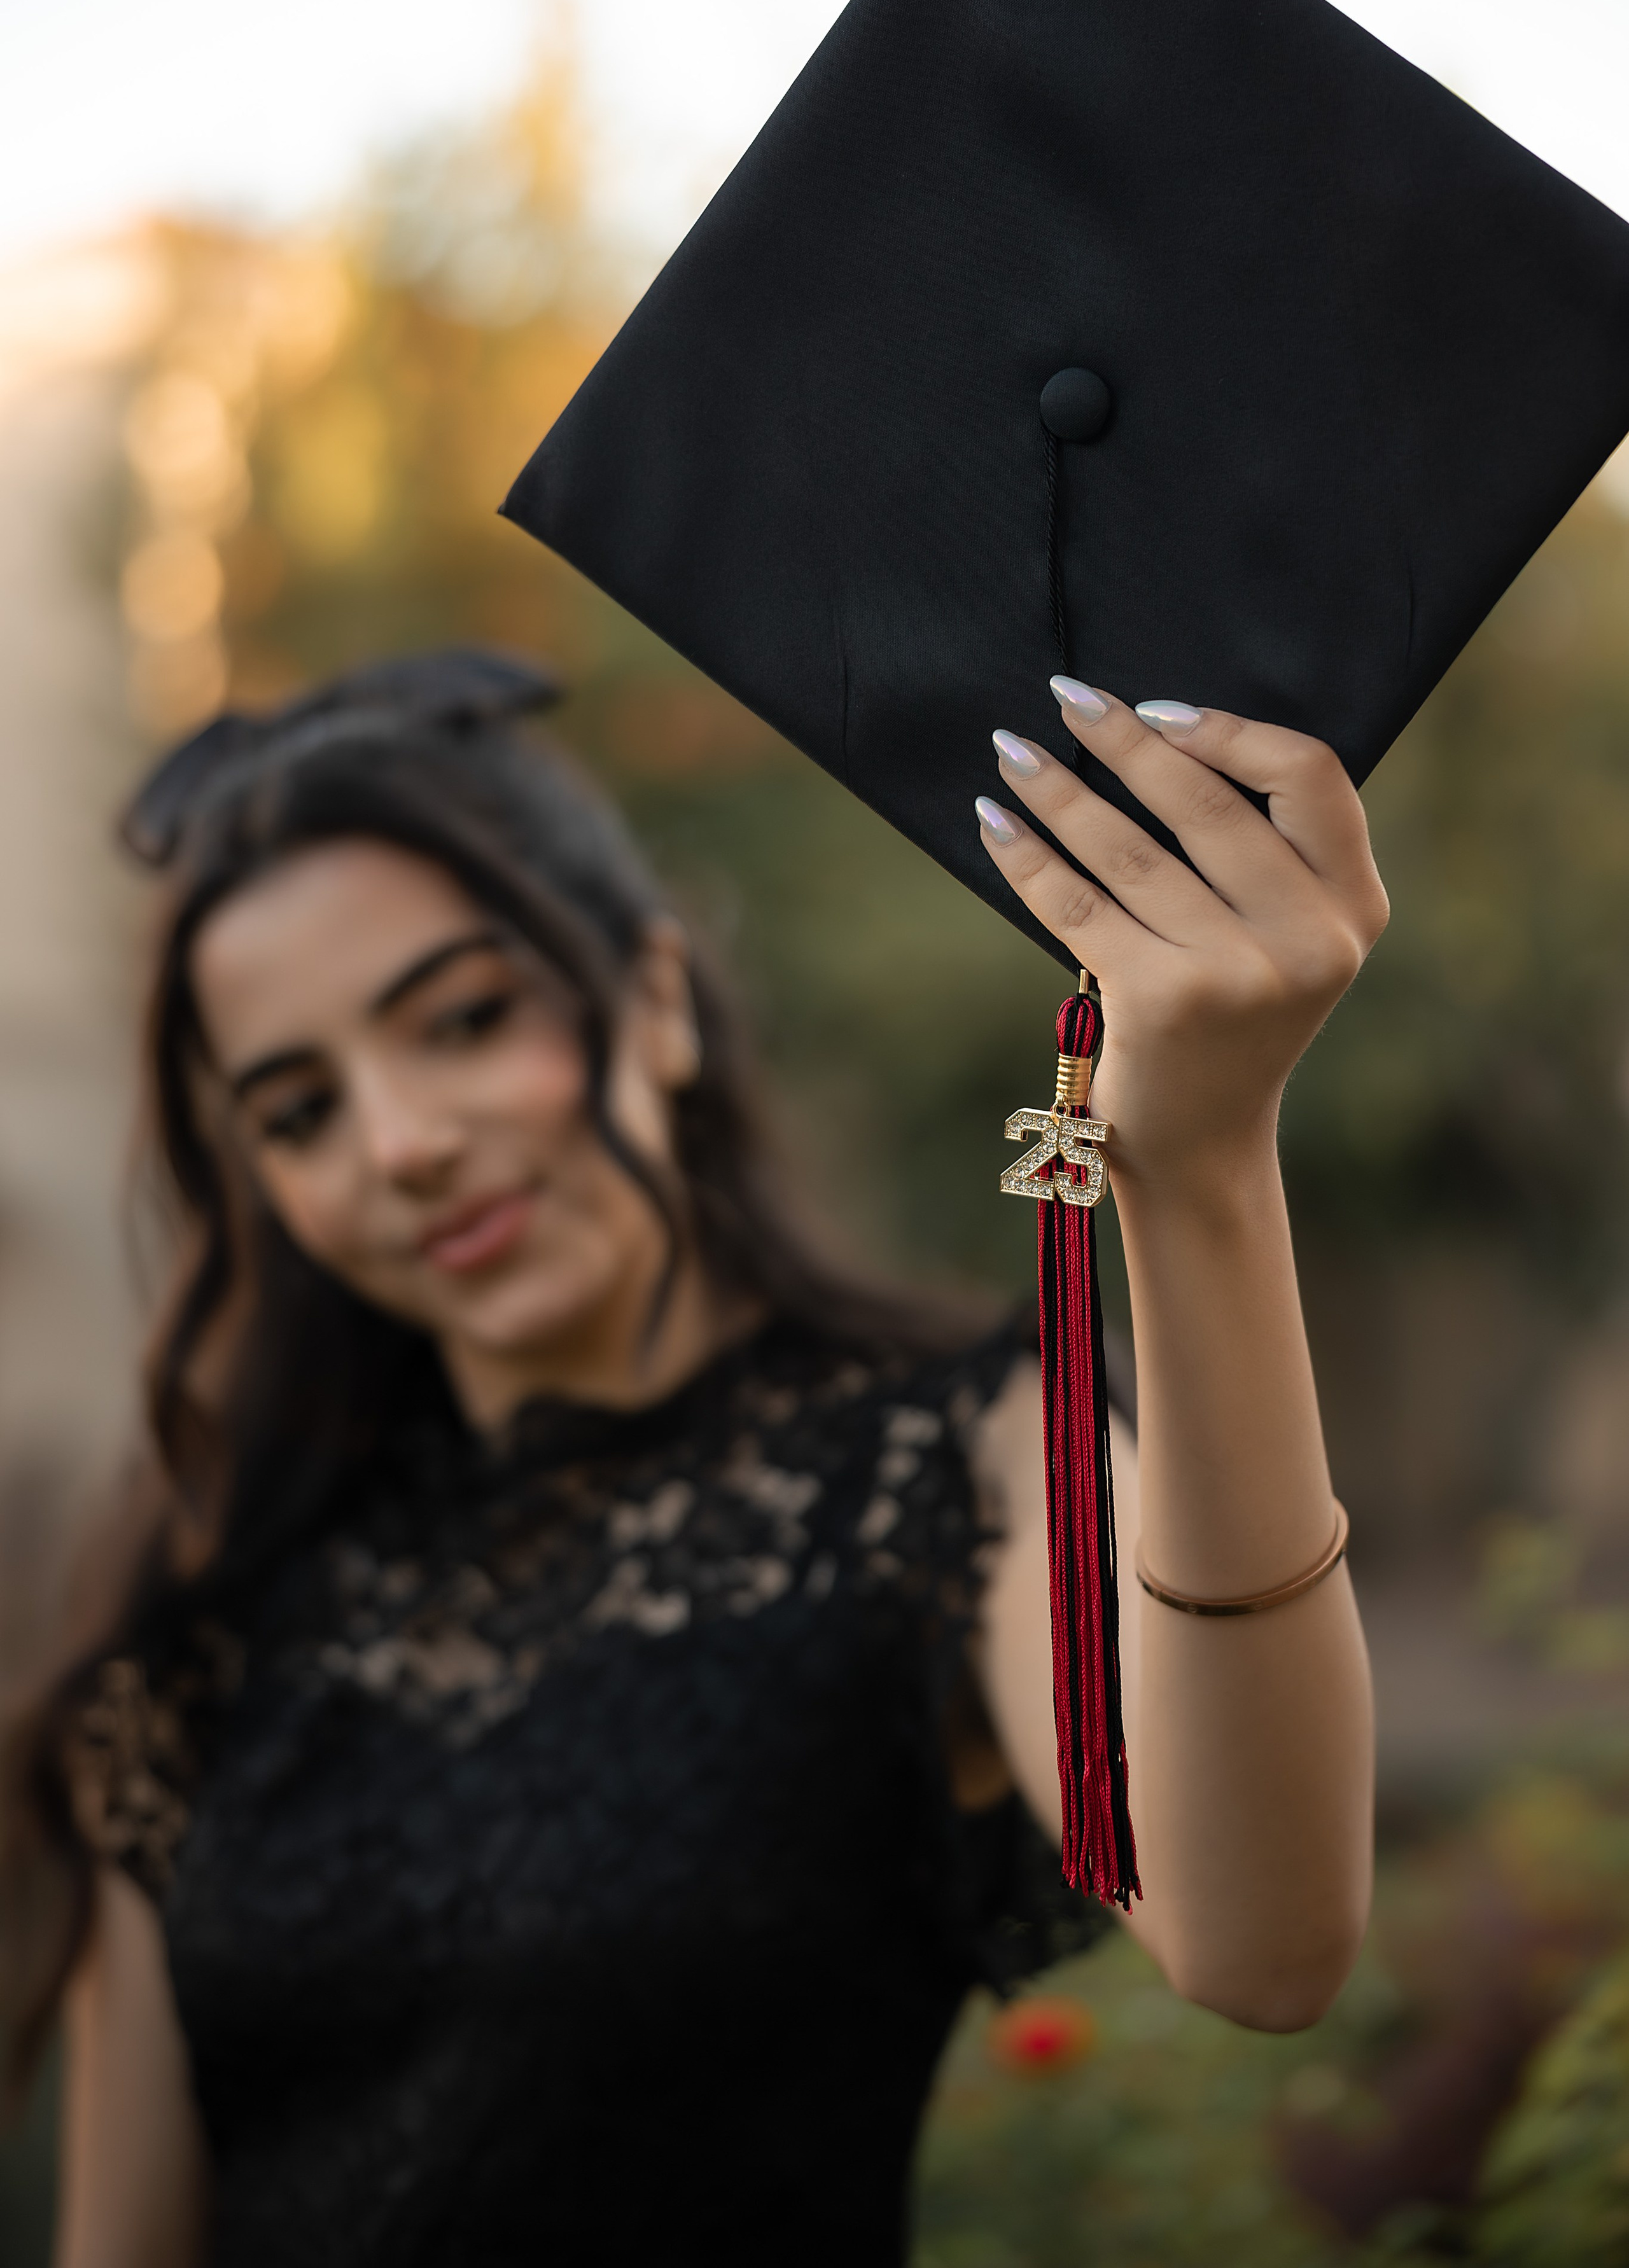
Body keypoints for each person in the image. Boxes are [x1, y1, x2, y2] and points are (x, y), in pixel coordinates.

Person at [1, 646, 1380, 2267]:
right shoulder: (214, 1586)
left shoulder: (933, 1464)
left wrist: (1197, 1168)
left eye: (460, 1020)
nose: (401, 1142)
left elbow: (1260, 1941)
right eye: (299, 1112)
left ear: (653, 1000)